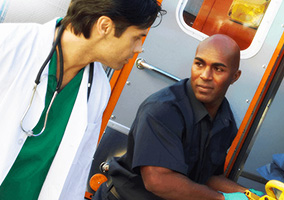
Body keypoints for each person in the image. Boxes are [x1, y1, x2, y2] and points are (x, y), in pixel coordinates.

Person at [0, 0, 163, 199]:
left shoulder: (98, 88)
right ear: (104, 26)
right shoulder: (8, 44)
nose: (138, 48)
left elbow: (76, 172)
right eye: (137, 37)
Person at [93, 34, 263, 200]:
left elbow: (208, 177)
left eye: (218, 69)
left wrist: (249, 194)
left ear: (235, 76)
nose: (205, 75)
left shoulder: (225, 120)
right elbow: (158, 181)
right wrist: (222, 199)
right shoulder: (162, 110)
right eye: (199, 64)